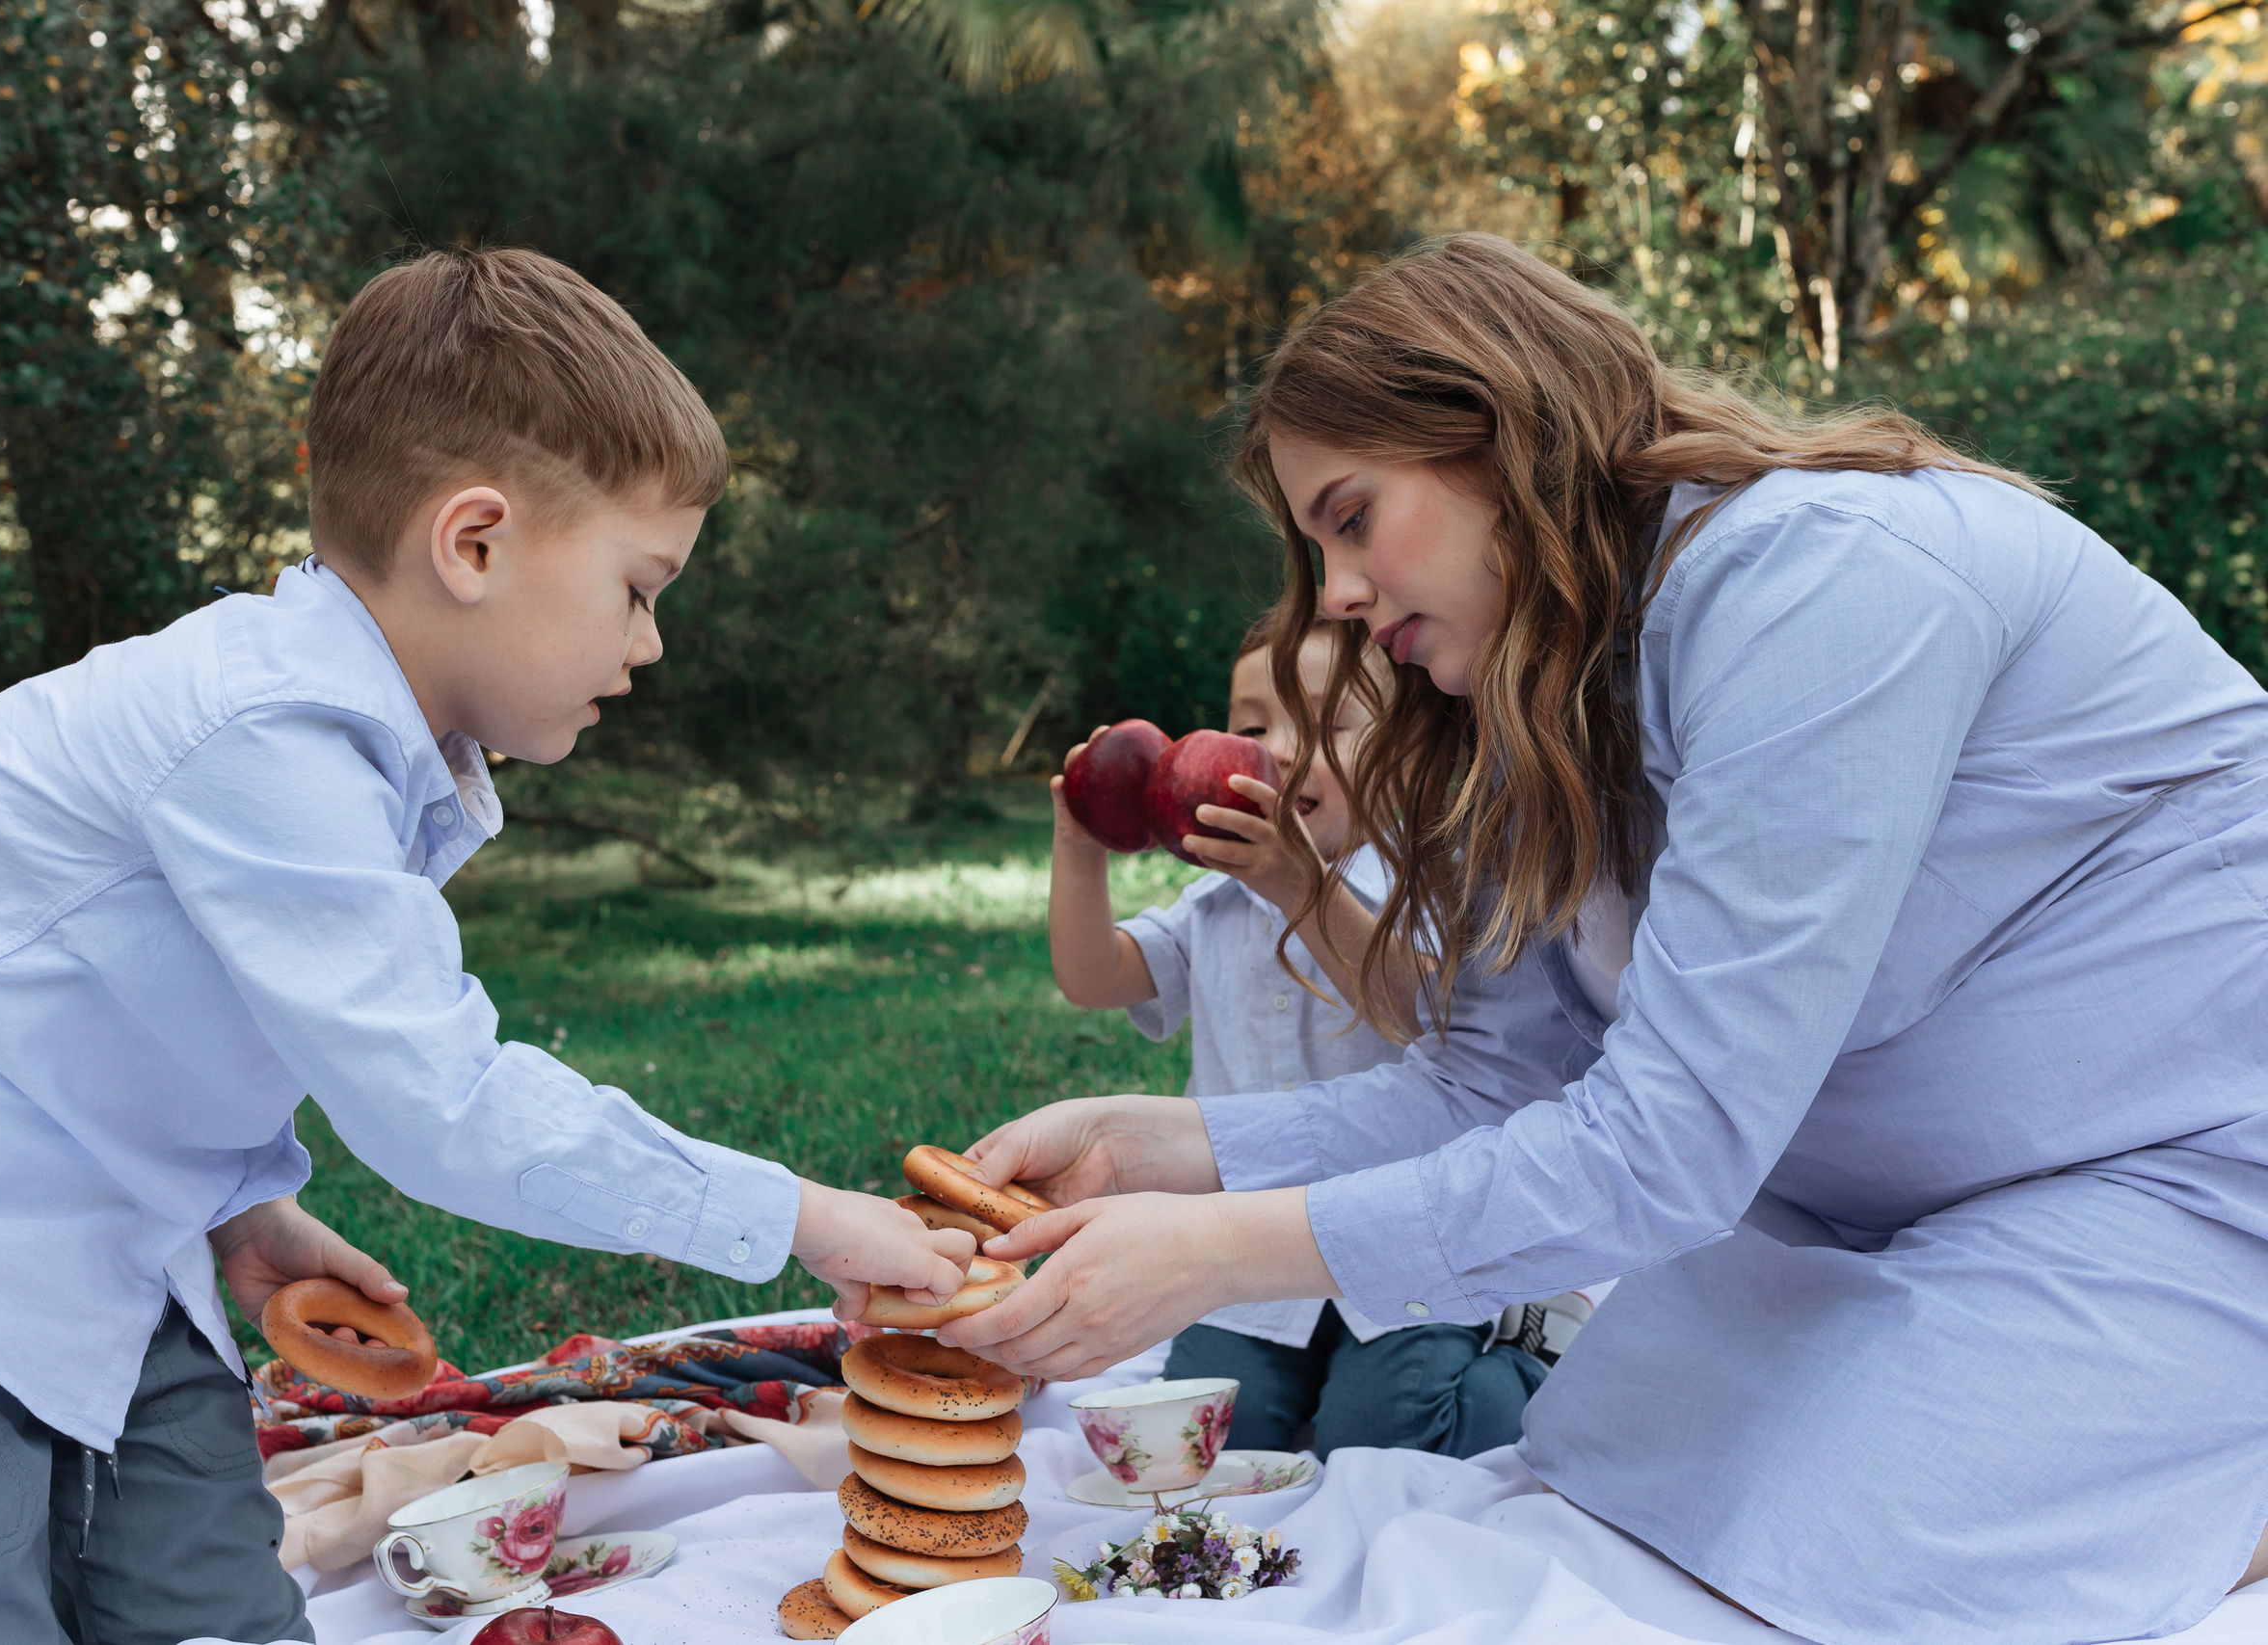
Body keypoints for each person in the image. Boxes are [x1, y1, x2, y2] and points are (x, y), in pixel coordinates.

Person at [943, 233, 2268, 1645]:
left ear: (1497, 434)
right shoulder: (1547, 685)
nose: (1334, 592)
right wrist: (1154, 1146)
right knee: (1614, 1474)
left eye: (1353, 518)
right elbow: (1499, 1077)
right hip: (1864, 1202)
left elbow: (1671, 1143)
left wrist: (1218, 1251)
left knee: (1845, 1557)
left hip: (2178, 1173)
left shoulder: (1819, 583)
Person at [0, 249, 974, 1645]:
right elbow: (446, 1105)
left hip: (114, 1245)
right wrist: (804, 1217)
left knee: (213, 1605)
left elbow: (128, 1006)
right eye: (638, 586)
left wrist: (242, 1205)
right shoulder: (263, 731)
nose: (650, 642)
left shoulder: (346, 746)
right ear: (473, 544)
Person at [1050, 609, 1578, 1458]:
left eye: (1327, 724)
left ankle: (1531, 1350)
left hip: (1398, 1250)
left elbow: (1426, 1019)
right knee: (1207, 1443)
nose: (1283, 749)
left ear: (1407, 752)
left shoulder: (1427, 889)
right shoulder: (1213, 901)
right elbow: (1093, 976)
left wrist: (1299, 885)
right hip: (1244, 1261)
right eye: (1254, 725)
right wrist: (1082, 844)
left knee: (1390, 1431)